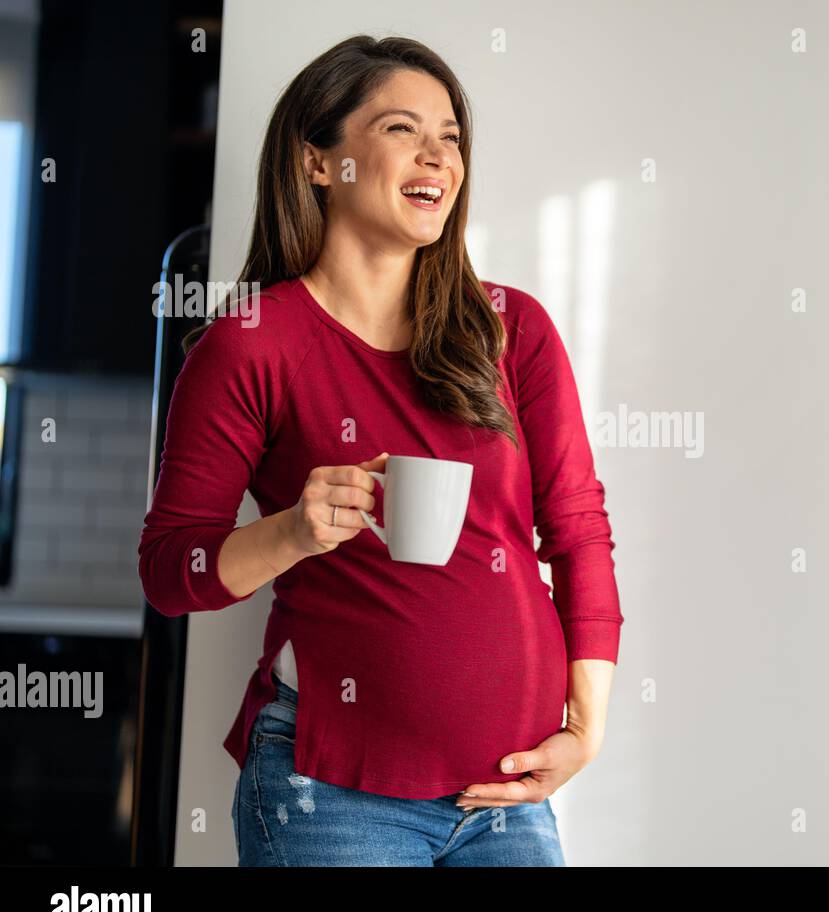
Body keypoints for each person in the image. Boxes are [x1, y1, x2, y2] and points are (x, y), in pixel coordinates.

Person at [138, 35, 624, 866]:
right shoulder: (250, 345)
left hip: (508, 796)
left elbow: (578, 531)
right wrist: (295, 529)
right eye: (403, 128)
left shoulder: (513, 330)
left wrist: (587, 728)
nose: (440, 154)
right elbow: (169, 573)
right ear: (320, 163)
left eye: (452, 135)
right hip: (330, 798)